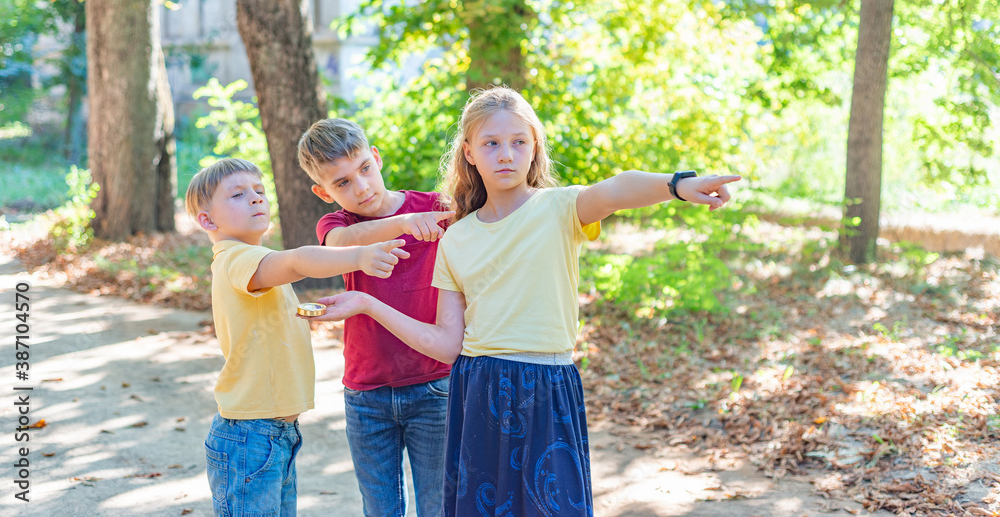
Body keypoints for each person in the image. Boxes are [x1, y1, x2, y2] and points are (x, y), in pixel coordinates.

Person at [307, 87, 741, 516]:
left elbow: (614, 190)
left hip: (546, 385)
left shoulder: (560, 208)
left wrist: (678, 185)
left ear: (535, 147)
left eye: (519, 142)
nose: (506, 154)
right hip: (476, 389)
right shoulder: (455, 237)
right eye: (491, 144)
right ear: (469, 153)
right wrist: (368, 305)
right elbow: (445, 344)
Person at [185, 157, 409, 517]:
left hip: (274, 433)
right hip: (250, 435)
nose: (256, 199)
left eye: (259, 191)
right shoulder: (236, 258)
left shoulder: (255, 261)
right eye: (239, 195)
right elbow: (298, 262)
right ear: (208, 221)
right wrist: (360, 257)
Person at [297, 118, 456, 517]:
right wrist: (401, 225)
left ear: (377, 157)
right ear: (323, 192)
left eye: (365, 169)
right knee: (380, 509)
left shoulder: (436, 208)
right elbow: (337, 245)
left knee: (439, 506)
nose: (362, 187)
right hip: (367, 394)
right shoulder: (339, 225)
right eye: (343, 183)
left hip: (435, 384)